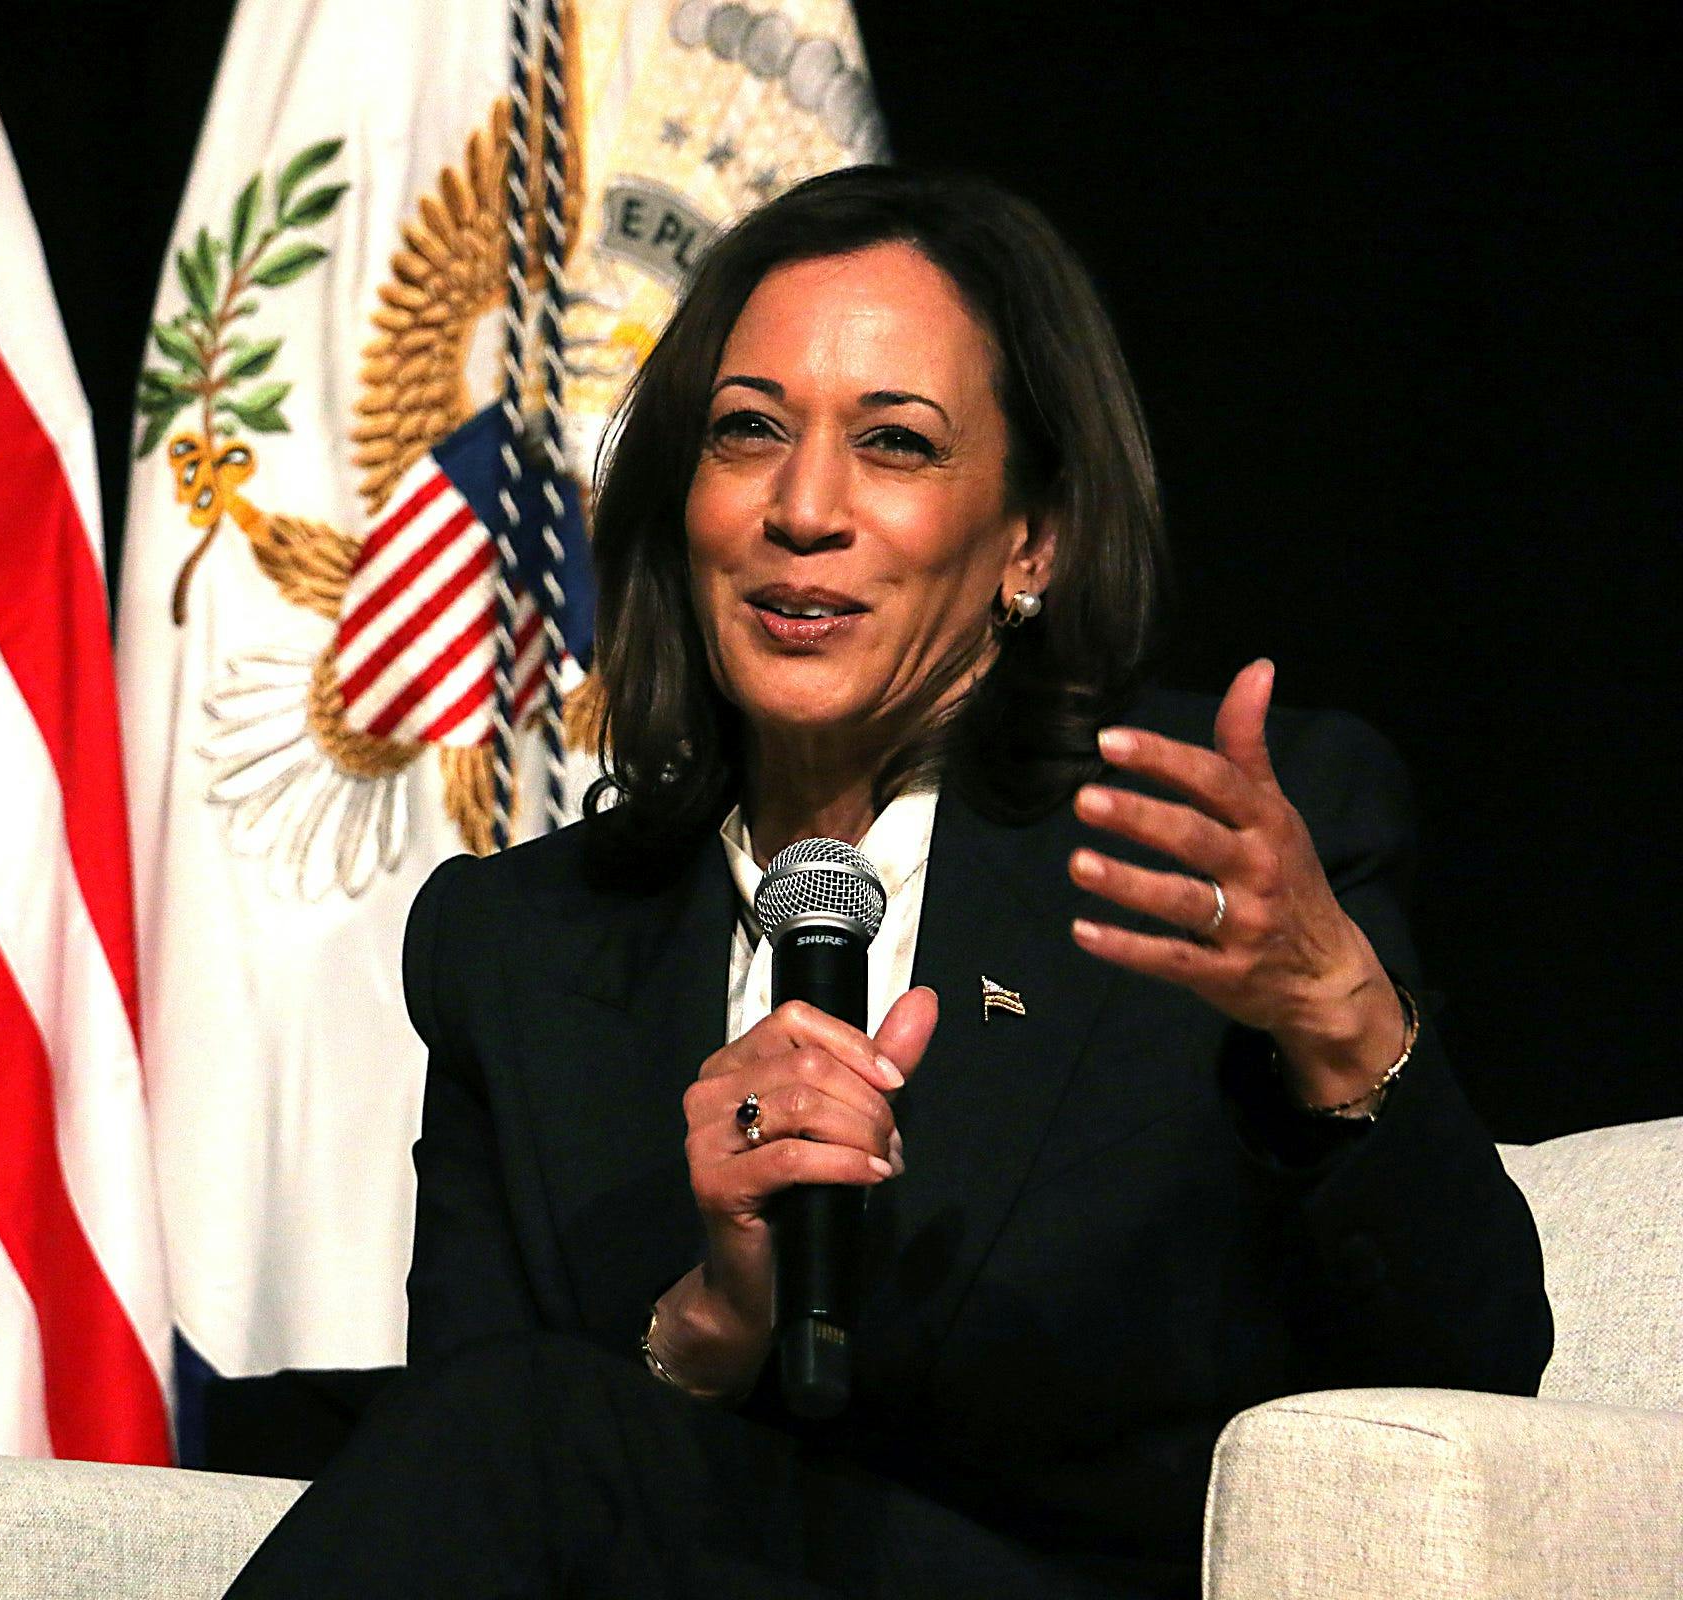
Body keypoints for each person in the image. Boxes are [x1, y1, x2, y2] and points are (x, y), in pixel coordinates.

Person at [223, 166, 1550, 1599]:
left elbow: (1470, 1386)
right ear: (686, 500)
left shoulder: (1194, 852)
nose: (804, 508)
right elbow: (457, 1462)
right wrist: (712, 1324)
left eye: (897, 445)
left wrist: (1338, 1010)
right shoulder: (520, 942)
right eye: (748, 434)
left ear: (1029, 541)